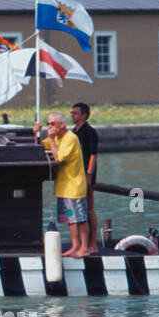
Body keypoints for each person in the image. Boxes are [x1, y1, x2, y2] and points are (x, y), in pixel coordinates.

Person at [33, 112, 89, 258]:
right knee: (70, 219)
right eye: (48, 124)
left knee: (80, 218)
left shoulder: (70, 138)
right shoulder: (57, 138)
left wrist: (51, 139)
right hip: (64, 186)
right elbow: (39, 146)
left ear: (62, 125)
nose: (50, 126)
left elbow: (58, 158)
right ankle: (75, 245)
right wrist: (37, 134)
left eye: (52, 124)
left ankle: (84, 247)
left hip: (74, 185)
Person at [70, 102, 99, 255]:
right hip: (74, 176)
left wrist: (89, 174)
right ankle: (81, 244)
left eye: (75, 113)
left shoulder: (90, 132)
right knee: (77, 211)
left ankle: (93, 243)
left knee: (89, 208)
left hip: (85, 175)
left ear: (84, 115)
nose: (72, 115)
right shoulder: (73, 132)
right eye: (72, 113)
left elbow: (93, 154)